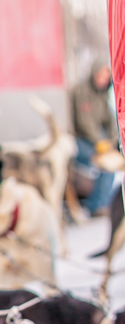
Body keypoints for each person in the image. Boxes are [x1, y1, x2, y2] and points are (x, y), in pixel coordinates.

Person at [72, 61, 119, 216]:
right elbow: (85, 123)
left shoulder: (103, 94)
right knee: (105, 164)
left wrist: (113, 139)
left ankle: (101, 204)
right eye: (100, 76)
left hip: (98, 141)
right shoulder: (82, 92)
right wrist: (99, 141)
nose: (103, 80)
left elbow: (110, 119)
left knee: (111, 165)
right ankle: (95, 205)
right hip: (81, 140)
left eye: (106, 78)